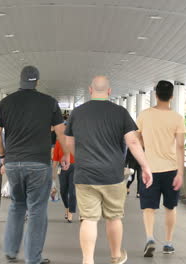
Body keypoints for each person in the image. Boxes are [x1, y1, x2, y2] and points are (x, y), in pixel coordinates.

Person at [65, 76, 153, 264]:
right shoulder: (120, 112)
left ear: (90, 90)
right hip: (112, 175)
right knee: (114, 217)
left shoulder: (77, 113)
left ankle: (87, 260)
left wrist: (81, 158)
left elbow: (69, 142)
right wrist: (145, 166)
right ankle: (115, 256)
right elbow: (133, 141)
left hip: (85, 173)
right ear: (109, 91)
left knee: (88, 218)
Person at [0, 65, 70, 264]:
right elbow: (61, 132)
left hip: (13, 163)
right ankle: (33, 257)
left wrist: (3, 154)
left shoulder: (5, 103)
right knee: (36, 209)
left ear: (20, 80)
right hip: (38, 163)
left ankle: (10, 250)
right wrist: (66, 154)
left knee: (17, 205)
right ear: (37, 82)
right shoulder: (49, 102)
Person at [135, 80, 186, 257]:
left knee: (148, 208)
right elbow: (180, 147)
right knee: (170, 207)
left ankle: (150, 238)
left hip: (149, 168)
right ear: (172, 96)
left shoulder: (144, 115)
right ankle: (168, 242)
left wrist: (147, 146)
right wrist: (180, 172)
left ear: (156, 94)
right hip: (171, 169)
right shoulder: (177, 118)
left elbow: (137, 139)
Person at [52, 121, 76, 222]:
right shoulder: (59, 142)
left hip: (75, 168)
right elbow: (56, 159)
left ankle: (71, 212)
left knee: (72, 191)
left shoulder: (76, 141)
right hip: (62, 169)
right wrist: (53, 174)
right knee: (63, 191)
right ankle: (67, 207)